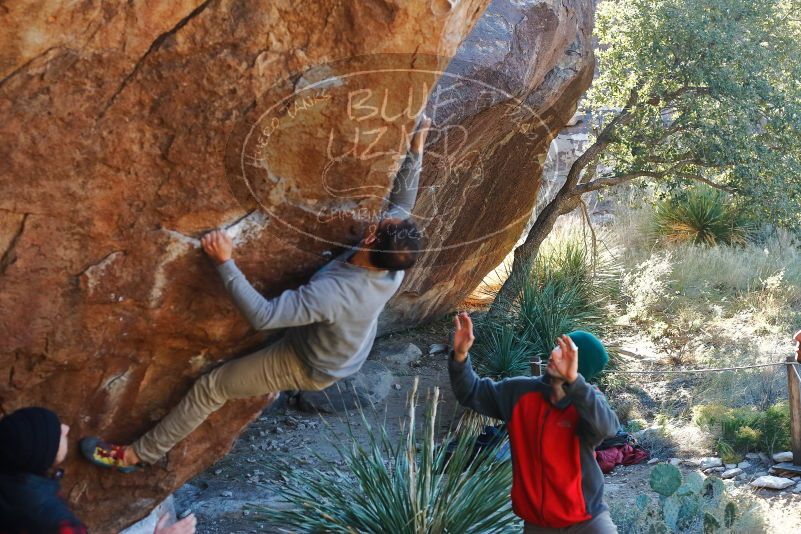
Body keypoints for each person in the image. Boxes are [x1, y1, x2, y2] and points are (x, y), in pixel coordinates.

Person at [80, 115, 432, 471]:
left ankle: (136, 455)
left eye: (380, 225)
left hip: (310, 363)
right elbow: (402, 206)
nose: (383, 217)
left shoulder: (333, 294)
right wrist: (415, 151)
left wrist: (224, 262)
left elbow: (263, 316)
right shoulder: (391, 264)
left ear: (371, 239)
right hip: (337, 341)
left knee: (212, 387)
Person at [448, 312, 620, 534]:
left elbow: (607, 428)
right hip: (538, 524)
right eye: (557, 346)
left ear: (579, 365)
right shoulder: (519, 392)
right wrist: (460, 356)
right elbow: (471, 392)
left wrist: (574, 382)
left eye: (564, 351)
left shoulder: (588, 402)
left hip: (587, 520)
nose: (553, 353)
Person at [0, 407, 196, 533]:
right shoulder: (51, 518)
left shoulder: (15, 482)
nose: (66, 428)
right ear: (43, 455)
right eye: (57, 432)